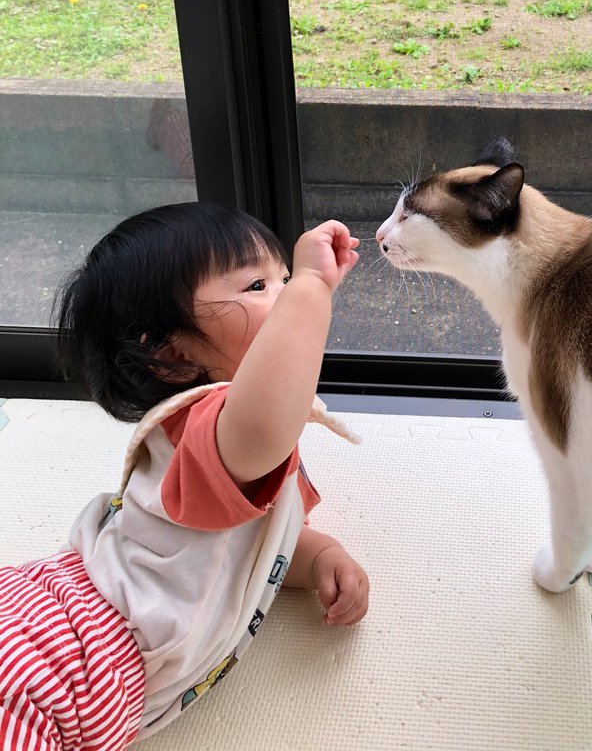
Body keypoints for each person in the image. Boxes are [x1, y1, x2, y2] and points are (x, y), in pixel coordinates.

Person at [0, 202, 367, 749]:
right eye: (257, 285)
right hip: (58, 657)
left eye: (284, 279)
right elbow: (267, 423)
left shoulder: (231, 454)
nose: (287, 294)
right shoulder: (214, 426)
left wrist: (318, 555)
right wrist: (311, 287)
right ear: (174, 357)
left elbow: (251, 540)